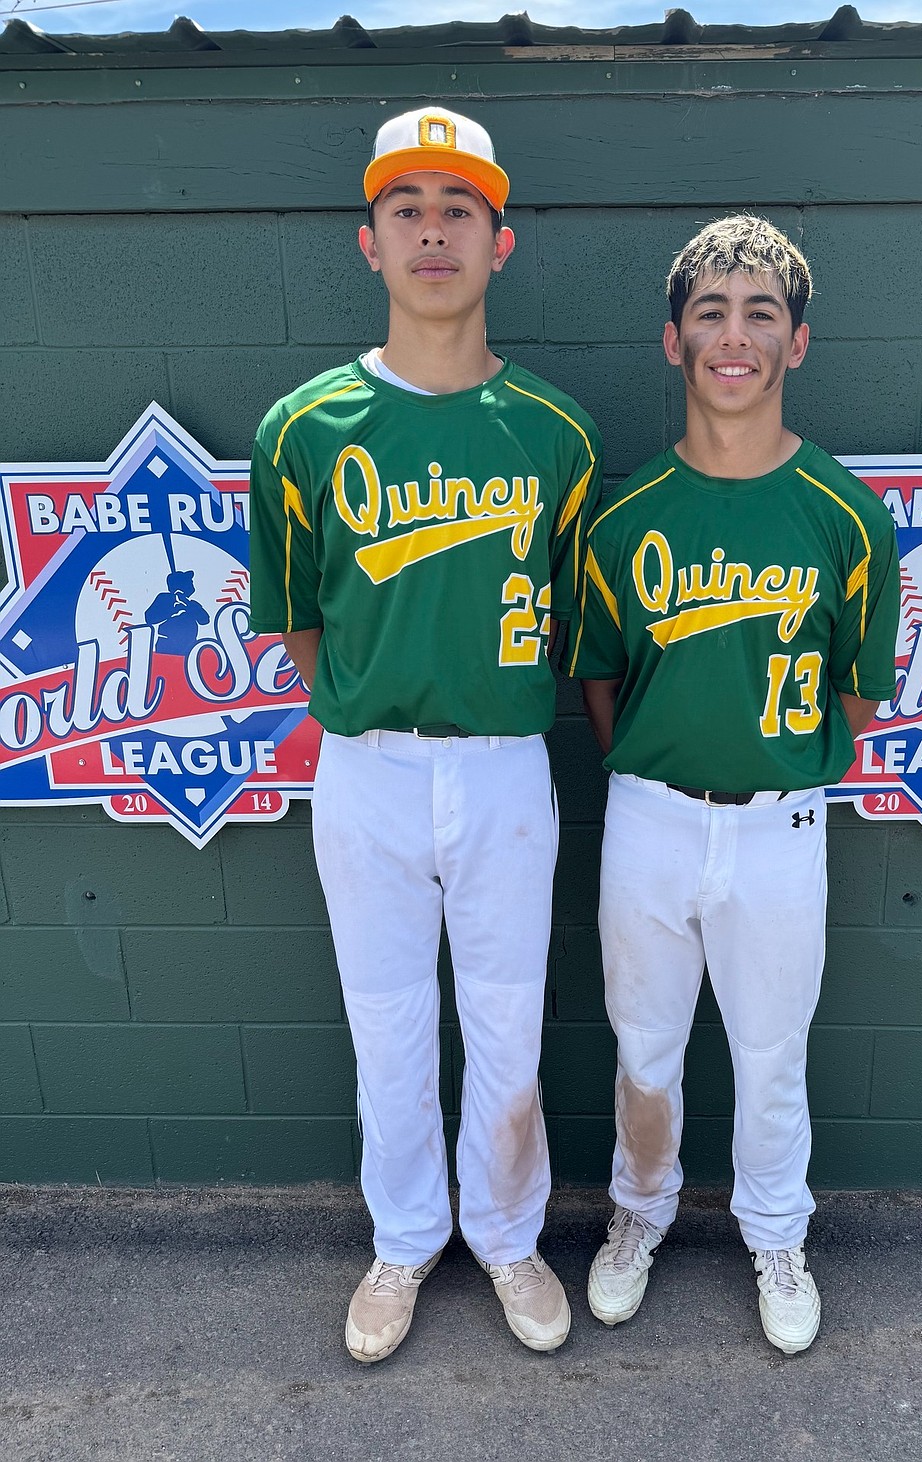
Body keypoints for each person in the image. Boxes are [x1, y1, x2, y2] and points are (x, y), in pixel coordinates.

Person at [248, 106, 602, 1362]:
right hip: (368, 766)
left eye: (461, 210)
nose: (435, 230)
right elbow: (298, 628)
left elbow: (565, 623)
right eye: (410, 209)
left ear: (500, 244)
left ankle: (507, 1237)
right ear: (369, 241)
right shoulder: (303, 427)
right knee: (386, 1021)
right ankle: (403, 1241)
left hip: (507, 763)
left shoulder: (557, 434)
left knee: (509, 1021)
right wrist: (375, 700)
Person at [566, 215, 899, 1354]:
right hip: (651, 817)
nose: (734, 335)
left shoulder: (848, 514)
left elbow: (857, 692)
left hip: (780, 824)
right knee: (644, 1047)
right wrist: (675, 760)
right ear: (674, 341)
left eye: (761, 312)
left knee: (772, 1053)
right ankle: (638, 1212)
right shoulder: (623, 514)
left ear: (797, 341)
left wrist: (765, 770)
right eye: (710, 311)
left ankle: (775, 1231)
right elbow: (603, 678)